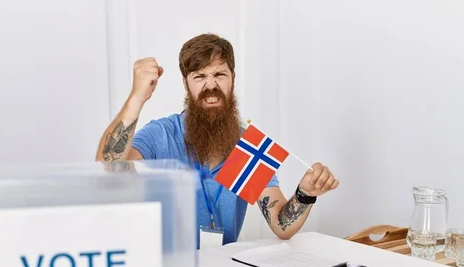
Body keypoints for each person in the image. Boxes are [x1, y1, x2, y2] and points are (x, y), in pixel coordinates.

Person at [95, 33, 338, 245]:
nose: (211, 85)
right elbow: (108, 175)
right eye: (199, 76)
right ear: (185, 84)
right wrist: (137, 97)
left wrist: (305, 194)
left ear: (233, 78)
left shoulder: (247, 146)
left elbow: (281, 225)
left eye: (219, 74)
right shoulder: (162, 134)